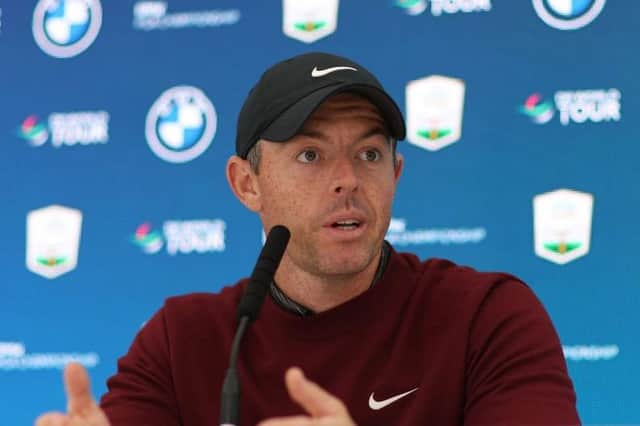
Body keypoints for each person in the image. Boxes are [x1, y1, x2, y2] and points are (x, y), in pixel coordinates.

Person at [35, 52, 580, 426]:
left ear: (396, 174)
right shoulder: (184, 342)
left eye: (369, 154)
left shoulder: (486, 318)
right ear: (246, 184)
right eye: (310, 155)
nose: (347, 178)